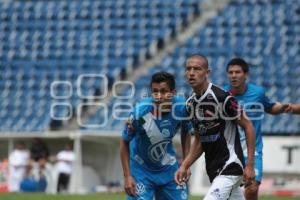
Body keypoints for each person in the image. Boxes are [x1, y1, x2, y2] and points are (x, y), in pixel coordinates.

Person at [175, 55, 255, 200]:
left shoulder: (222, 97)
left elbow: (248, 125)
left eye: (197, 69)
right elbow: (199, 139)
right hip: (214, 168)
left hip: (231, 164)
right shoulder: (190, 104)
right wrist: (185, 165)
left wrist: (250, 165)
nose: (192, 72)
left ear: (207, 72)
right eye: (189, 69)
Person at [224, 58, 296, 200]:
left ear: (246, 75)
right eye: (230, 72)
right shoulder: (222, 96)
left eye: (237, 72)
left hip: (253, 151)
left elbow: (269, 107)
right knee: (228, 193)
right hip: (229, 151)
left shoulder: (257, 93)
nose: (233, 75)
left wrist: (282, 108)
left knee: (251, 188)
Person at [120, 72, 193, 200]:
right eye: (155, 91)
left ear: (173, 92)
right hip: (141, 171)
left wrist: (185, 164)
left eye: (164, 91)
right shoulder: (140, 112)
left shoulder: (182, 108)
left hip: (169, 170)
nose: (159, 96)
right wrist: (127, 176)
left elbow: (186, 132)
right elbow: (124, 142)